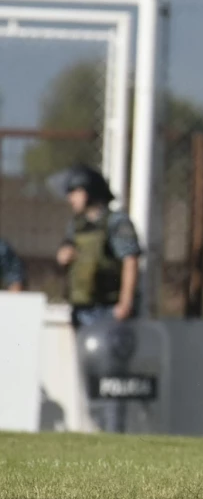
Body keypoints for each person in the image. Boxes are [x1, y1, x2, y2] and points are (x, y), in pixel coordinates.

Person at [55, 164, 142, 433]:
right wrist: (64, 256)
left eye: (75, 191)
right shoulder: (77, 225)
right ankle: (99, 432)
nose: (71, 198)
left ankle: (113, 434)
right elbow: (66, 253)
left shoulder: (116, 222)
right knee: (91, 377)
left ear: (89, 191)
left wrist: (125, 302)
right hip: (83, 311)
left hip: (109, 311)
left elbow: (130, 260)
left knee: (112, 378)